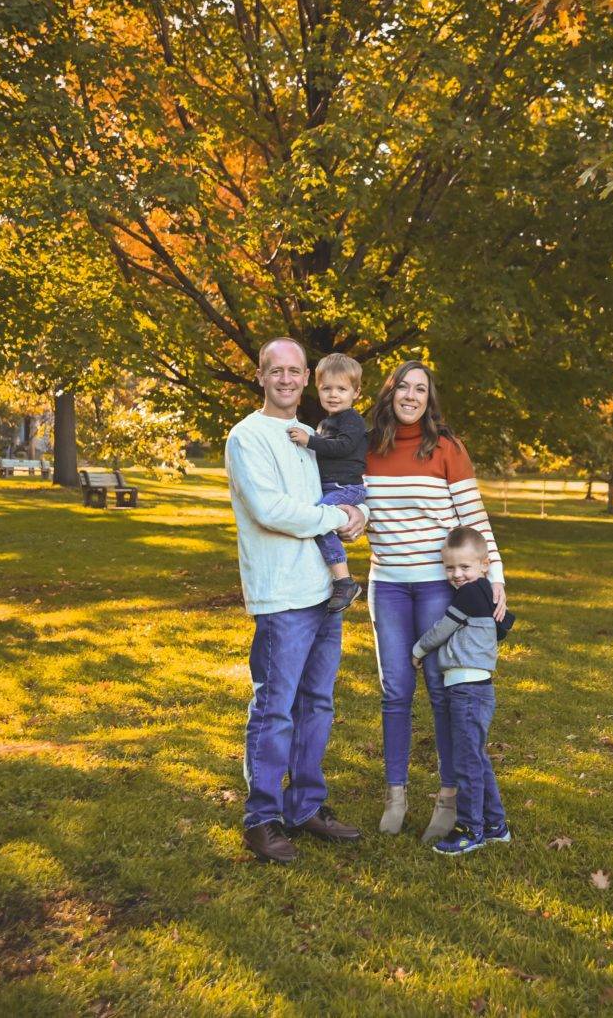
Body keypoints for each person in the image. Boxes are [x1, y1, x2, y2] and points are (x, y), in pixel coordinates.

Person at [224, 338, 367, 863]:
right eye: (275, 371)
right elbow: (272, 510)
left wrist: (357, 519)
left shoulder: (313, 435)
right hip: (281, 595)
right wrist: (335, 518)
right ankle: (262, 817)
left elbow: (342, 485)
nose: (285, 380)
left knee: (318, 706)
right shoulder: (247, 437)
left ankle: (306, 806)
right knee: (275, 708)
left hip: (325, 593)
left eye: (294, 371)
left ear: (307, 377)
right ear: (261, 376)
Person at [364, 360, 507, 843]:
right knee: (395, 691)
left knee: (441, 691)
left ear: (429, 398)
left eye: (420, 389)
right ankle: (396, 795)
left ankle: (449, 799)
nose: (410, 395)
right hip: (387, 585)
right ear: (389, 393)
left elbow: (474, 517)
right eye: (402, 386)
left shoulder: (447, 448)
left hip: (435, 585)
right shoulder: (365, 447)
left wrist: (497, 579)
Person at [411, 526, 515, 856]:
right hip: (475, 688)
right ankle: (496, 825)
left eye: (465, 567)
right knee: (476, 759)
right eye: (450, 568)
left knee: (467, 764)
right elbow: (503, 626)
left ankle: (471, 828)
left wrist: (418, 650)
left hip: (467, 691)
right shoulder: (482, 593)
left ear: (485, 565)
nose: (457, 575)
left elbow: (442, 630)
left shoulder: (470, 594)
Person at [286, 353, 369, 612]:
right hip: (332, 486)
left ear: (356, 392)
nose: (334, 395)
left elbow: (343, 446)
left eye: (342, 389)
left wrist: (309, 440)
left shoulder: (352, 420)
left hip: (347, 487)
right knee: (321, 523)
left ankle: (345, 581)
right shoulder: (325, 423)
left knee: (320, 520)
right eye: (327, 389)